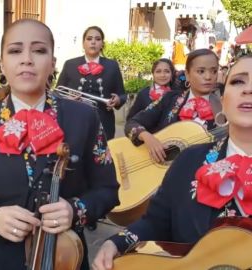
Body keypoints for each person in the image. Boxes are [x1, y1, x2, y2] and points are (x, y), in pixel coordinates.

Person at [0, 19, 119, 270]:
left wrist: (75, 210)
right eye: (15, 51)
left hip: (65, 256)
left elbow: (108, 189)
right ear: (2, 64)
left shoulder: (85, 117)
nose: (27, 59)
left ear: (53, 64)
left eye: (38, 50)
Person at [93, 54, 252, 270]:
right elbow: (156, 221)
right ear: (223, 100)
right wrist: (116, 242)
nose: (248, 90)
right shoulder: (188, 160)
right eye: (238, 81)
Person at [124, 49, 221, 163]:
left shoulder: (223, 108)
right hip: (158, 169)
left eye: (214, 71)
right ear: (187, 75)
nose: (208, 77)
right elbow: (131, 123)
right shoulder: (170, 99)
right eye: (201, 71)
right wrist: (148, 137)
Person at [57, 26, 127, 140]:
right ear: (83, 43)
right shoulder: (70, 64)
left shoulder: (112, 65)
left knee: (102, 156)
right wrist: (67, 99)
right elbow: (57, 93)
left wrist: (118, 100)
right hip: (74, 119)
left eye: (98, 39)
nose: (93, 42)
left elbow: (123, 95)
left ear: (102, 44)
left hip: (104, 121)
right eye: (89, 39)